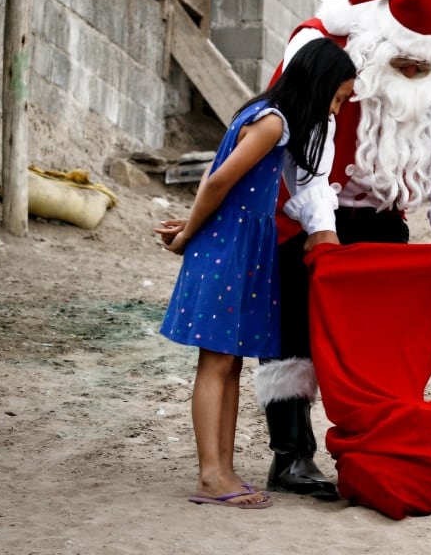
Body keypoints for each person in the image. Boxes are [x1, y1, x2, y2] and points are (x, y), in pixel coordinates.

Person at [256, 0, 431, 499]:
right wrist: (321, 227)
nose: (416, 71)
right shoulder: (320, 43)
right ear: (379, 43)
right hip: (299, 210)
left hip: (381, 214)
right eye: (405, 64)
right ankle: (291, 459)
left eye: (424, 66)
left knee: (374, 341)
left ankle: (372, 447)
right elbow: (302, 147)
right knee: (295, 334)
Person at [154, 38, 357, 510]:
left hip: (240, 245)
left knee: (230, 364)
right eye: (337, 97)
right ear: (318, 84)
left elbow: (219, 177)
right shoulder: (273, 122)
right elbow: (220, 178)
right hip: (231, 248)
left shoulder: (269, 118)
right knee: (217, 363)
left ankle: (222, 472)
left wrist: (191, 224)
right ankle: (210, 476)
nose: (336, 108)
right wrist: (188, 235)